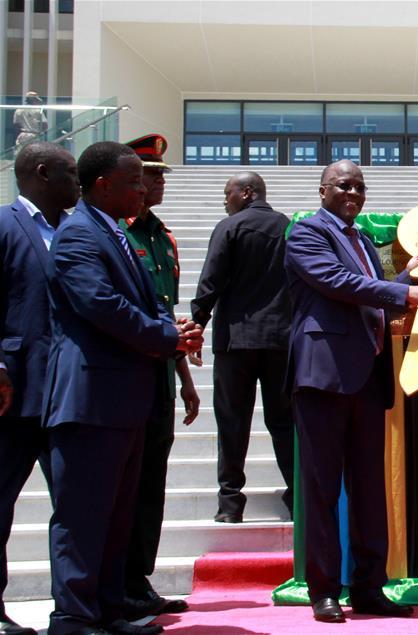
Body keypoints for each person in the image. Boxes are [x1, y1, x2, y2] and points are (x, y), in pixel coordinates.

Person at [43, 141, 203, 635]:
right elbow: (101, 304)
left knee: (116, 519)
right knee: (84, 518)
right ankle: (73, 618)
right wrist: (165, 335)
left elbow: (142, 302)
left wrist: (171, 329)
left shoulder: (115, 233)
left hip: (124, 402)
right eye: (133, 181)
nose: (142, 189)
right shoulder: (77, 235)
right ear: (102, 185)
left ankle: (110, 611)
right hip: (91, 401)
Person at [284, 159, 418, 623]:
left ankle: (370, 586)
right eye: (343, 185)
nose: (352, 193)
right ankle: (324, 591)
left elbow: (373, 293)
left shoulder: (366, 243)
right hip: (323, 376)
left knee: (371, 490)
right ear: (323, 190)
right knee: (322, 489)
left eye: (359, 187)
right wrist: (405, 294)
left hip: (369, 377)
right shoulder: (307, 233)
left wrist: (406, 277)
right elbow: (338, 283)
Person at [0, 143, 80, 635]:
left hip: (66, 395)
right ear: (42, 173)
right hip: (12, 394)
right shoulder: (5, 225)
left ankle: (73, 613)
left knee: (75, 509)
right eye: (71, 173)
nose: (79, 182)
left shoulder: (78, 230)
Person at [120, 134, 198, 620]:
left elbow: (166, 312)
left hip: (161, 375)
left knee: (152, 480)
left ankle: (138, 578)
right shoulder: (116, 232)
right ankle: (118, 581)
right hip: (124, 372)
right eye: (151, 175)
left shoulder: (162, 236)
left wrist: (186, 379)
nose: (158, 183)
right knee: (123, 483)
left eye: (161, 175)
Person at [190, 172, 294, 523]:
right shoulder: (289, 227)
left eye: (227, 192)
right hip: (281, 341)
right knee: (284, 422)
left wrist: (197, 324)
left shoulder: (230, 227)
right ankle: (298, 497)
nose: (224, 200)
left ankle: (230, 503)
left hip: (237, 341)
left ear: (246, 193)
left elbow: (212, 279)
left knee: (233, 423)